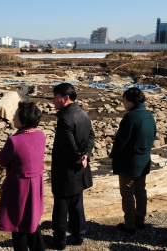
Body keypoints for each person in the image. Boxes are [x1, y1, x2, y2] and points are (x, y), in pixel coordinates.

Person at [0, 101, 46, 251]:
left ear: (23, 121)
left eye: (16, 115)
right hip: (36, 183)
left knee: (17, 223)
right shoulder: (41, 135)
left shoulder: (14, 141)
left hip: (19, 186)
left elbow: (2, 161)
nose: (13, 117)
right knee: (32, 220)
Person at [51, 83, 95, 250]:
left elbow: (69, 145)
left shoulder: (64, 117)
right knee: (77, 204)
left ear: (66, 98)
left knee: (61, 206)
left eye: (56, 97)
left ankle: (59, 241)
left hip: (66, 170)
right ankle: (79, 235)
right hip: (79, 168)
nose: (53, 100)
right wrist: (86, 155)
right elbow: (91, 136)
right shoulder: (83, 112)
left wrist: (80, 158)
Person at [109, 87, 156, 235]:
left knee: (128, 194)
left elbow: (121, 141)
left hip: (129, 163)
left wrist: (113, 156)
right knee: (140, 191)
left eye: (124, 100)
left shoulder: (130, 117)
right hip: (143, 161)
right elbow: (153, 135)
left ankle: (129, 225)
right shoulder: (149, 115)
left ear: (131, 101)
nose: (123, 103)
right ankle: (140, 220)